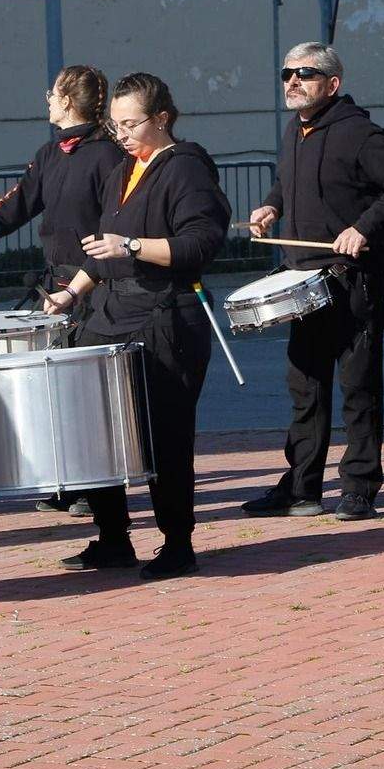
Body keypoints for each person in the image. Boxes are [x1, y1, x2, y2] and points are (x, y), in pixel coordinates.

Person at [42, 73, 230, 580]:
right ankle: (112, 538)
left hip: (165, 317)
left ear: (161, 119)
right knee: (94, 430)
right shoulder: (125, 168)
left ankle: (177, 543)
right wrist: (69, 293)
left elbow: (200, 244)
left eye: (130, 124)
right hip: (110, 312)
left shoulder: (186, 168)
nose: (120, 134)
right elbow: (104, 249)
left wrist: (132, 247)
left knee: (164, 436)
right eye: (115, 124)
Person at [243, 44, 384, 521]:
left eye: (305, 73)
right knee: (304, 389)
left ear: (332, 84)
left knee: (359, 390)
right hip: (302, 283)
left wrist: (364, 226)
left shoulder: (359, 133)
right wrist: (271, 206)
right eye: (287, 73)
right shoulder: (295, 131)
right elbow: (288, 182)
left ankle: (359, 488)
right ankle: (302, 488)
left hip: (351, 283)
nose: (292, 81)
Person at [0, 64, 128, 515]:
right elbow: (18, 203)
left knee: (89, 395)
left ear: (68, 100)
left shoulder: (107, 155)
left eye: (51, 93)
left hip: (95, 284)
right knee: (55, 392)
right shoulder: (51, 153)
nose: (46, 99)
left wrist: (88, 279)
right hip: (54, 284)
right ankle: (65, 481)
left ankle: (95, 487)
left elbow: (115, 223)